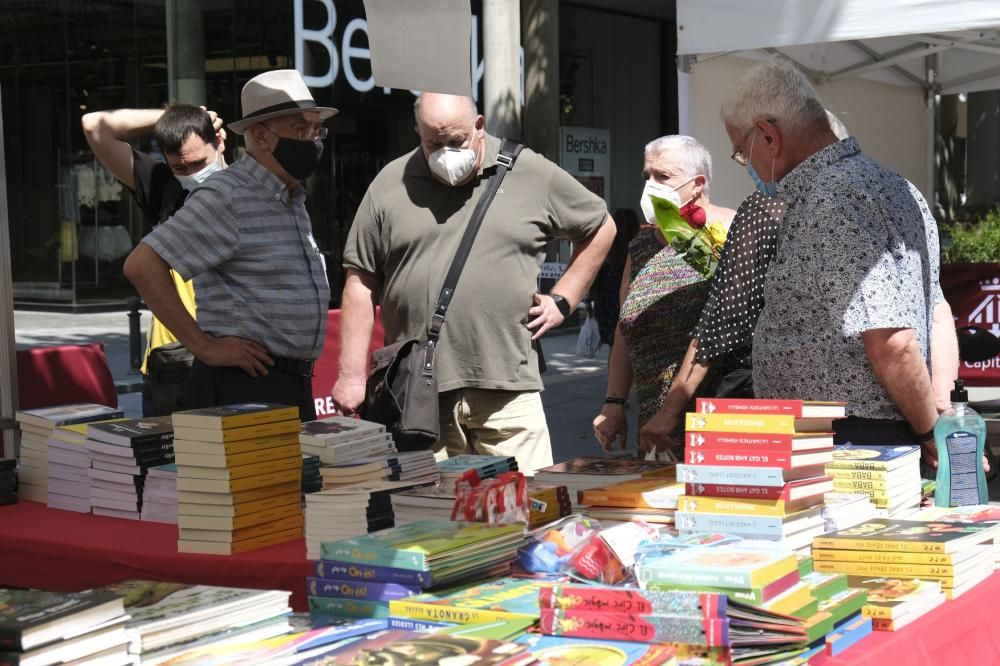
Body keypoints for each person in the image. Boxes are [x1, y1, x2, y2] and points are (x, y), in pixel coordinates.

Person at [332, 92, 615, 474]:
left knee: (525, 501)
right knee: (429, 508)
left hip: (507, 388)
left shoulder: (530, 172)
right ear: (417, 132)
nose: (445, 153)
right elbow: (360, 281)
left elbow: (600, 226)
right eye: (433, 143)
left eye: (456, 140)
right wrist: (351, 376)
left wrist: (564, 299)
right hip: (418, 395)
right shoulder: (390, 183)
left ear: (479, 126)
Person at [719, 56, 949, 465]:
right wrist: (937, 414)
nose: (745, 166)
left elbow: (893, 342)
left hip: (850, 440)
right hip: (863, 431)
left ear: (768, 135)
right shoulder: (895, 186)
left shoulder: (829, 199)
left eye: (740, 152)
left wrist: (930, 431)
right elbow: (937, 312)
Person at [122, 69, 336, 421]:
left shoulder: (290, 196)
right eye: (301, 129)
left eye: (317, 128)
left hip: (287, 383)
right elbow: (142, 265)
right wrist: (204, 346)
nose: (313, 139)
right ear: (261, 136)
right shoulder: (228, 195)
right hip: (247, 386)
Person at [592, 135, 736, 459]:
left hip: (717, 418)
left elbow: (724, 327)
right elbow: (625, 327)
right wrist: (614, 402)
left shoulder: (732, 231)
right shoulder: (641, 247)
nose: (651, 185)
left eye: (663, 176)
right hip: (652, 425)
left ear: (697, 184)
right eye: (648, 176)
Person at [82, 103, 227, 416]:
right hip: (174, 363)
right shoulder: (168, 187)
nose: (192, 175)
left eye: (199, 163)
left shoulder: (248, 191)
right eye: (180, 168)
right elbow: (94, 124)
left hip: (233, 358)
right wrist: (177, 117)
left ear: (220, 142)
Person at [590, 208, 641, 349]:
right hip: (629, 304)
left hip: (606, 303)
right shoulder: (637, 251)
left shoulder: (606, 249)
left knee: (613, 347)